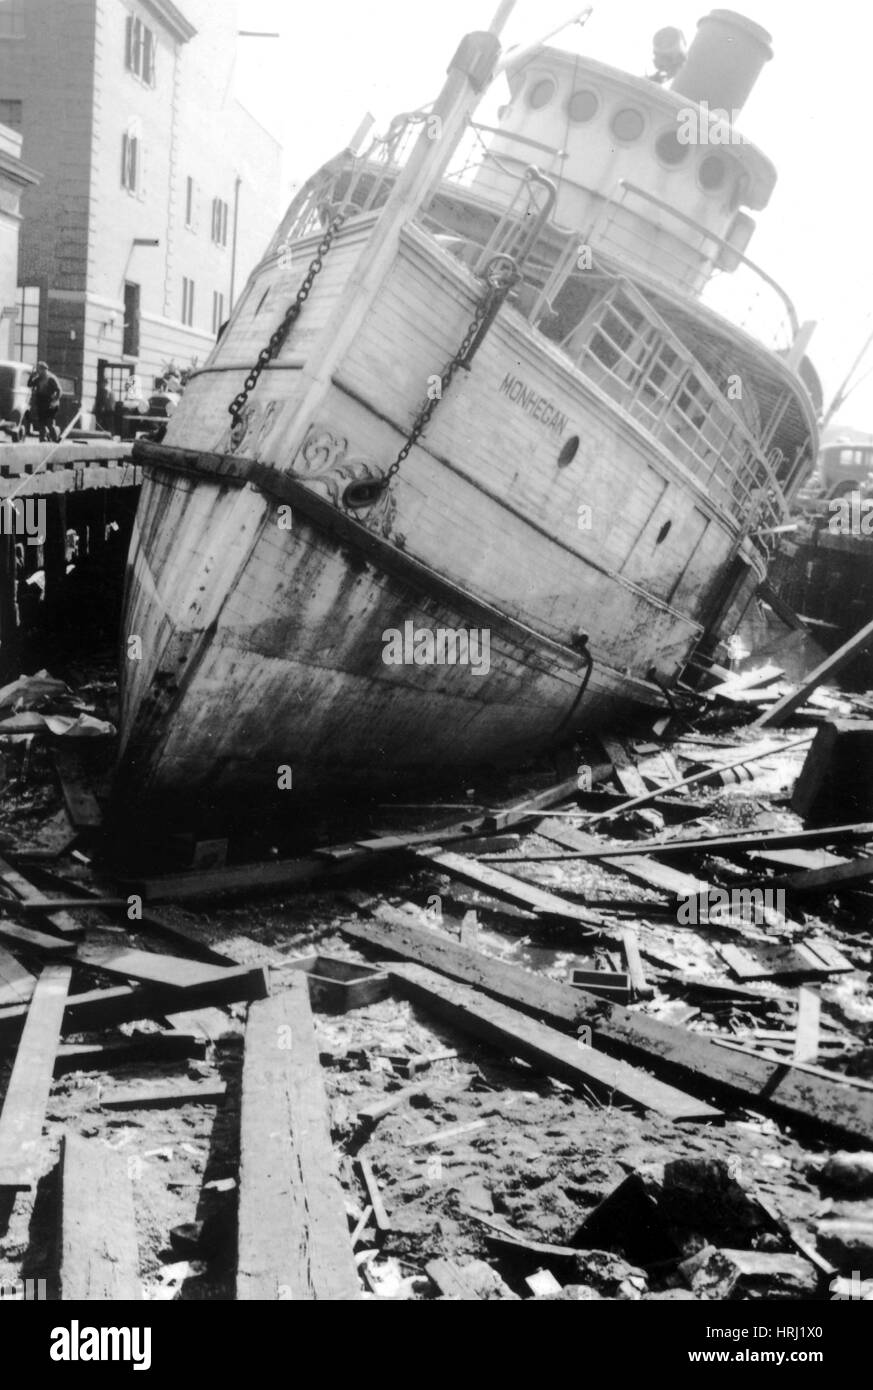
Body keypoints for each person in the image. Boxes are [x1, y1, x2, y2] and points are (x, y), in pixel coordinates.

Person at [28, 361, 62, 442]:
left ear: (44, 369)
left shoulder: (51, 378)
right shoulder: (39, 378)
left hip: (51, 403)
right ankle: (42, 439)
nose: (37, 371)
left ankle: (55, 439)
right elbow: (29, 384)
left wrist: (55, 400)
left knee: (50, 423)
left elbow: (59, 390)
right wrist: (31, 376)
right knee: (41, 423)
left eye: (39, 369)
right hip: (41, 403)